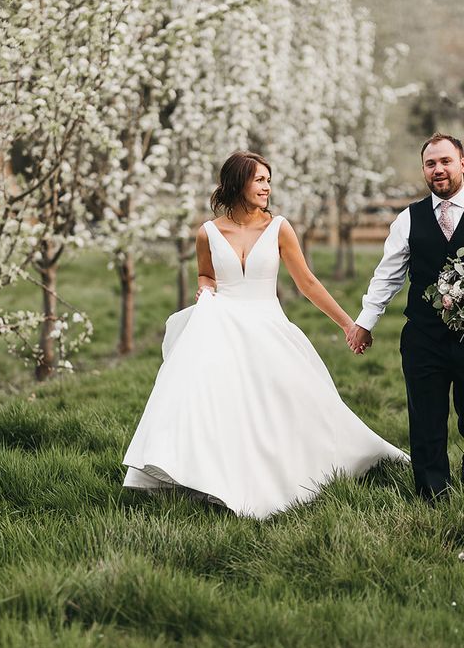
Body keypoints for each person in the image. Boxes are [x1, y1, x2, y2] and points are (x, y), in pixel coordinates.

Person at [122, 150, 407, 519]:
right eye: (260, 180)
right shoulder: (207, 233)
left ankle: (310, 467)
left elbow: (306, 282)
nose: (267, 188)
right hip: (220, 325)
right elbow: (206, 275)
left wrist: (349, 324)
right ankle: (214, 477)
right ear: (238, 183)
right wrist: (205, 289)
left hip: (267, 324)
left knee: (297, 402)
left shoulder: (279, 228)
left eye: (268, 181)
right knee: (215, 402)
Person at [347, 133, 464, 501]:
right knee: (426, 420)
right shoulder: (408, 219)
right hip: (424, 339)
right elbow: (388, 274)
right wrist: (365, 322)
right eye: (431, 164)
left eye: (445, 161)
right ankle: (433, 496)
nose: (438, 170)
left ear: (462, 164)